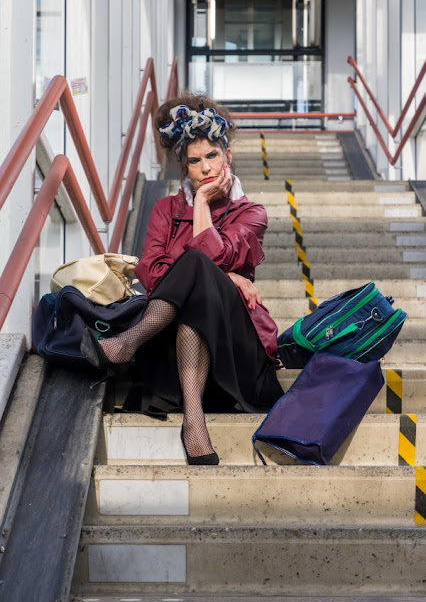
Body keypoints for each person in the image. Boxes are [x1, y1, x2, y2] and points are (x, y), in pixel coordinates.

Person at [81, 92, 283, 465]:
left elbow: (212, 256)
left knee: (196, 266)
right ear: (183, 167)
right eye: (195, 161)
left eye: (212, 156)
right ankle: (194, 424)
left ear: (228, 157)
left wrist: (202, 205)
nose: (205, 168)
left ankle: (124, 345)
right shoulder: (163, 209)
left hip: (235, 360)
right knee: (193, 301)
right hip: (174, 360)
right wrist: (229, 276)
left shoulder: (252, 213)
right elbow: (152, 276)